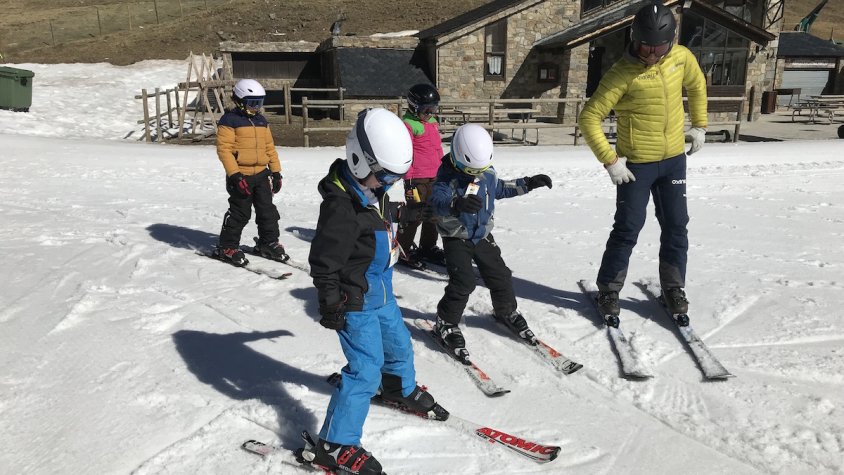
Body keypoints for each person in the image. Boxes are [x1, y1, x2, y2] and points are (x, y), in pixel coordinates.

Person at [307, 108, 446, 475]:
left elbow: (387, 213)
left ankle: (399, 388)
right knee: (364, 371)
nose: (388, 183)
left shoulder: (373, 187)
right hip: (354, 300)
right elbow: (324, 260)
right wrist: (330, 302)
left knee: (400, 345)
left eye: (394, 177)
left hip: (381, 290)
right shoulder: (340, 208)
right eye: (384, 176)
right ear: (357, 158)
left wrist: (439, 206)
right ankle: (335, 444)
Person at [578, 1, 707, 325]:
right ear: (635, 38)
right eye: (645, 46)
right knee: (628, 229)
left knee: (677, 226)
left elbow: (697, 85)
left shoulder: (681, 59)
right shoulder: (622, 73)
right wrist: (610, 162)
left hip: (675, 160)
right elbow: (589, 117)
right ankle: (608, 290)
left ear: (671, 41)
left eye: (659, 47)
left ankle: (673, 288)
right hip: (637, 166)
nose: (651, 54)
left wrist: (700, 125)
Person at [428, 124, 553, 363]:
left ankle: (505, 311)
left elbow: (500, 188)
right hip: (457, 237)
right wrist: (456, 205)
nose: (476, 174)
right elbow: (437, 200)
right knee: (463, 282)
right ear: (456, 157)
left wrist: (528, 183)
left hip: (482, 235)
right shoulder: (446, 178)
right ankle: (446, 321)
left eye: (481, 169)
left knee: (501, 275)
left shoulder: (487, 172)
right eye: (470, 169)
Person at [213, 78, 288, 266]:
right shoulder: (229, 120)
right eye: (252, 103)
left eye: (259, 103)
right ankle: (227, 246)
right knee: (240, 212)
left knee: (267, 211)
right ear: (239, 100)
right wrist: (235, 175)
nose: (256, 107)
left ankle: (268, 242)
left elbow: (269, 147)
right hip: (241, 175)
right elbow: (225, 150)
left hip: (262, 174)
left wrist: (276, 172)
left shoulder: (261, 121)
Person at [396, 83, 446, 269]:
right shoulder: (409, 125)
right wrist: (408, 181)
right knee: (415, 214)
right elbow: (405, 153)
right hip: (416, 178)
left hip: (436, 177)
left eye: (434, 110)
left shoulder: (432, 123)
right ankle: (403, 249)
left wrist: (445, 171)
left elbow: (437, 149)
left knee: (434, 214)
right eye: (426, 110)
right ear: (413, 107)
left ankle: (428, 247)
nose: (431, 114)